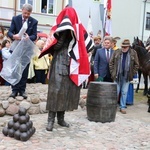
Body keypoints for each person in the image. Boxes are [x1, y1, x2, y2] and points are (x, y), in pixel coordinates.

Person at [39, 6, 94, 131]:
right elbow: (55, 47)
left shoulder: (76, 29)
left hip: (71, 65)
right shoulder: (59, 30)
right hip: (58, 64)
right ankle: (50, 120)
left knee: (65, 92)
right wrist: (63, 34)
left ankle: (61, 118)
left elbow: (86, 45)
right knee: (55, 92)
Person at [7, 3, 38, 98]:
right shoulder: (15, 19)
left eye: (28, 14)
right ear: (22, 10)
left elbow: (35, 35)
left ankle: (22, 90)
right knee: (15, 69)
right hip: (16, 48)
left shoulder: (34, 21)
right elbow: (9, 32)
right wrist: (13, 36)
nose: (26, 15)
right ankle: (14, 90)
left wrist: (29, 37)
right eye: (25, 13)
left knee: (24, 70)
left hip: (26, 50)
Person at [109, 39, 139, 114]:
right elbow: (111, 63)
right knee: (116, 91)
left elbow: (136, 64)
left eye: (125, 47)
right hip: (117, 75)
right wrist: (113, 73)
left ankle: (122, 106)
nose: (123, 48)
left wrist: (132, 73)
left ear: (128, 47)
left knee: (124, 92)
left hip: (127, 76)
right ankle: (114, 106)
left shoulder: (133, 53)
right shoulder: (117, 52)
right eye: (122, 47)